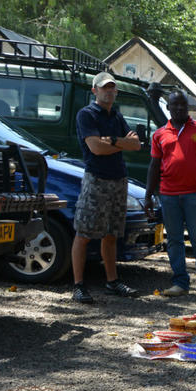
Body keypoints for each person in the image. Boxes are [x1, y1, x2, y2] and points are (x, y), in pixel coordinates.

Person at [71, 72, 141, 303]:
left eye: (112, 88)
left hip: (119, 180)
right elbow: (95, 149)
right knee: (84, 233)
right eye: (104, 88)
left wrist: (109, 140)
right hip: (96, 180)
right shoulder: (86, 115)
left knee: (112, 233)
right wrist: (120, 143)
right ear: (95, 91)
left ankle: (112, 282)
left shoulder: (117, 116)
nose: (109, 91)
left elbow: (136, 144)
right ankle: (79, 286)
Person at [144, 91, 196, 297]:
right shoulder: (159, 134)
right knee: (175, 240)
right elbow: (154, 165)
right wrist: (148, 195)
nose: (179, 108)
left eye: (183, 105)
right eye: (174, 105)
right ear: (168, 107)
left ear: (188, 107)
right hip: (168, 195)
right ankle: (180, 283)